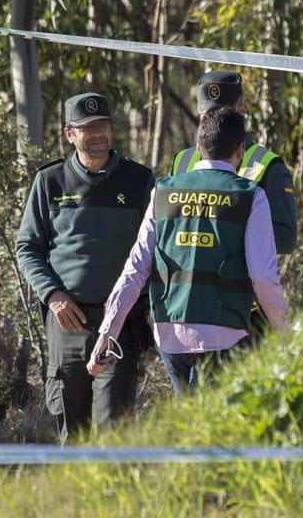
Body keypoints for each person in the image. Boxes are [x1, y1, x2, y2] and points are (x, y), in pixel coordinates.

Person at [88, 106, 287, 394]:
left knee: (189, 425)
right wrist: (283, 330)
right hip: (225, 333)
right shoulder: (251, 196)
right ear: (240, 150)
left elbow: (135, 269)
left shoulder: (163, 191)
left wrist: (107, 332)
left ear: (198, 148)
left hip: (171, 334)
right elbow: (262, 277)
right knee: (216, 429)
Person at [15, 92, 155, 437]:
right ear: (69, 134)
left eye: (103, 125)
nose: (97, 134)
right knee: (71, 430)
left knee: (113, 428)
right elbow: (27, 247)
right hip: (67, 325)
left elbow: (156, 249)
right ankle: (70, 493)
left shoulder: (139, 181)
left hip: (120, 324)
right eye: (87, 127)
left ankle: (109, 493)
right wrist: (53, 295)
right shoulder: (50, 182)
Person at [169, 69, 298, 255]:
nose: (216, 123)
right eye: (208, 116)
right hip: (187, 279)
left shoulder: (268, 166)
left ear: (243, 111)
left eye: (225, 116)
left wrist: (227, 230)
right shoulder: (182, 160)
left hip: (237, 280)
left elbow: (285, 239)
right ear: (198, 114)